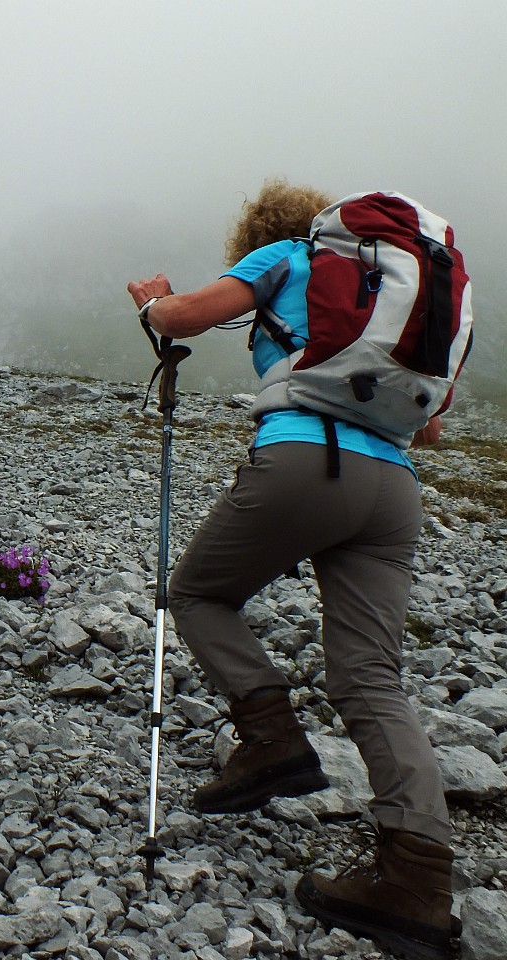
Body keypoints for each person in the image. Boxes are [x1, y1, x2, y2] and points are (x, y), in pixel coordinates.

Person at [127, 178, 457, 960]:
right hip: (395, 491)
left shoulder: (286, 256)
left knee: (196, 594)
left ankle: (272, 738)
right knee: (371, 678)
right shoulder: (403, 299)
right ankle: (419, 880)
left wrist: (152, 300)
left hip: (303, 461)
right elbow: (433, 428)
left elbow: (181, 319)